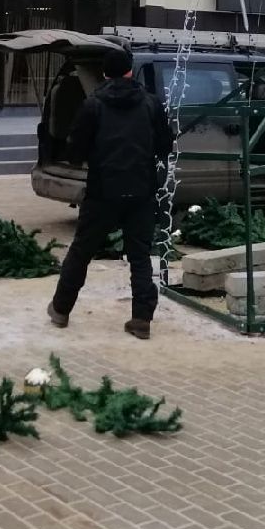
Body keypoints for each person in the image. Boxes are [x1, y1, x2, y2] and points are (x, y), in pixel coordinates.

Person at [48, 46, 173, 339]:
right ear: (130, 71)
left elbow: (75, 150)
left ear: (104, 74)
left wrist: (86, 155)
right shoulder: (151, 104)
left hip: (103, 191)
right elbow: (165, 146)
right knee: (140, 256)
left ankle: (61, 309)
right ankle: (141, 319)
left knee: (81, 251)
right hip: (141, 190)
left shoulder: (93, 104)